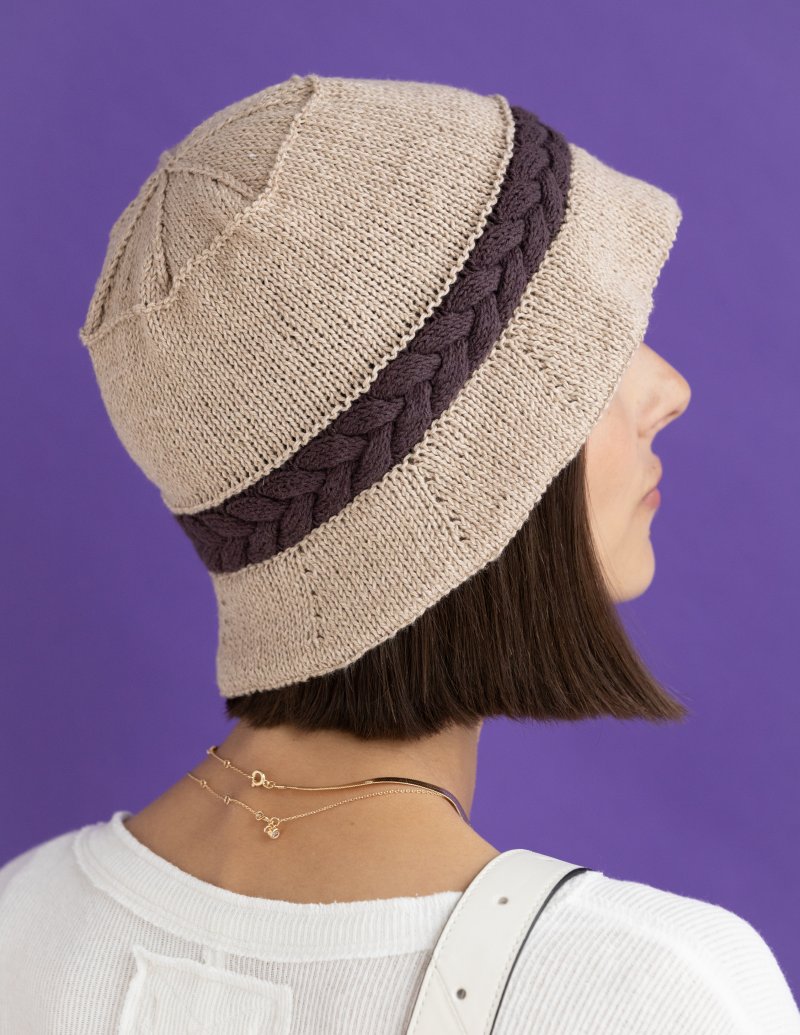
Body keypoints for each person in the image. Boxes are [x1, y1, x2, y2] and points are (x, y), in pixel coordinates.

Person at [0, 73, 797, 1034]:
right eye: (590, 349)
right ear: (444, 480)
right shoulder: (652, 992)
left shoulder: (19, 922)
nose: (670, 388)